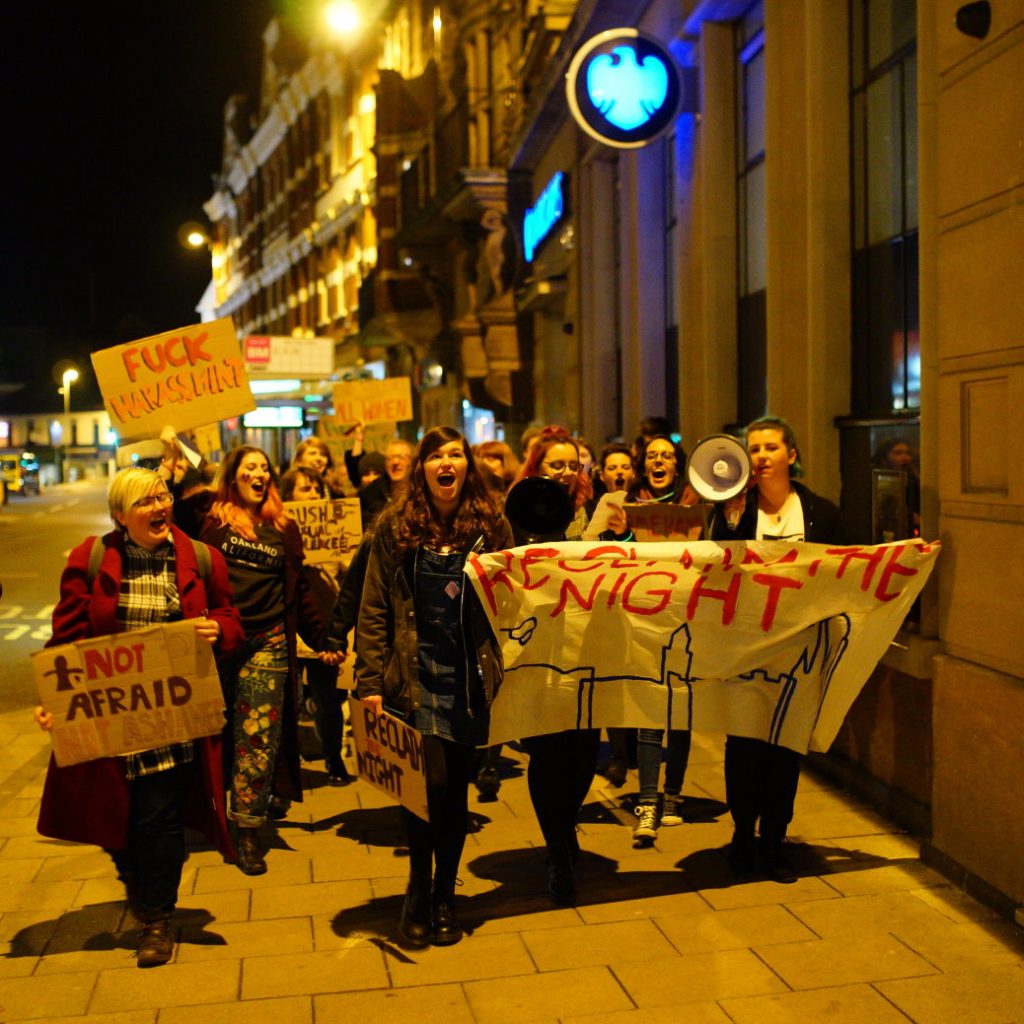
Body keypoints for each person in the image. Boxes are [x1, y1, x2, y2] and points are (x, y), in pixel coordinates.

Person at [34, 468, 244, 967]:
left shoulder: (200, 558)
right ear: (119, 515)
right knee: (120, 823)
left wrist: (218, 628)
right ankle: (138, 880)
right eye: (145, 501)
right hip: (110, 720)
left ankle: (157, 920)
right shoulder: (91, 560)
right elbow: (66, 639)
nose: (160, 507)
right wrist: (54, 697)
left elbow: (233, 621)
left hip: (172, 721)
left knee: (160, 818)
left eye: (163, 496)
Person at [355, 427, 513, 947]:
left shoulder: (491, 527)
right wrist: (369, 680)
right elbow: (375, 607)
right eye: (435, 456)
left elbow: (513, 602)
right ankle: (418, 889)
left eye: (455, 455)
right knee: (426, 790)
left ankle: (445, 895)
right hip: (412, 678)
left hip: (467, 680)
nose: (446, 464)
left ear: (467, 465)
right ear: (421, 469)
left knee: (456, 793)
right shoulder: (395, 527)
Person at [710, 416, 845, 883]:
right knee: (744, 743)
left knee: (785, 749)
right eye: (754, 449)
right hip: (745, 649)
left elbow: (844, 572)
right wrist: (727, 519)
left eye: (770, 447)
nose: (761, 456)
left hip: (799, 650)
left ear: (791, 454)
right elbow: (713, 572)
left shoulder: (821, 513)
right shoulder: (732, 512)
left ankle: (774, 840)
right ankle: (742, 833)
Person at [200, 446, 331, 875]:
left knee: (257, 738)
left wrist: (322, 638)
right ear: (232, 477)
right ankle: (216, 815)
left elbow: (301, 593)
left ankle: (249, 832)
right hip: (222, 644)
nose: (258, 473)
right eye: (248, 468)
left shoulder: (283, 527)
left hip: (269, 643)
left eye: (263, 468)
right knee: (220, 736)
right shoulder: (214, 523)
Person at [511, 427, 629, 904]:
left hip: (589, 650)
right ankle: (558, 848)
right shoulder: (517, 509)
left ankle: (565, 824)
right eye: (553, 464)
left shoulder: (593, 508)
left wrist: (620, 534)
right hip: (538, 653)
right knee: (547, 752)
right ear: (537, 467)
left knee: (582, 752)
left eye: (570, 464)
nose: (563, 472)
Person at [626, 434, 696, 844]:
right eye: (652, 455)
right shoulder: (624, 505)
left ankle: (674, 795)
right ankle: (648, 802)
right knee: (649, 714)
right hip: (642, 622)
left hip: (685, 620)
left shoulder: (694, 502)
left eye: (666, 456)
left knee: (681, 713)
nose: (659, 461)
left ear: (677, 465)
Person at [280, 466, 351, 785]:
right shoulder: (278, 529)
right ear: (288, 496)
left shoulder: (334, 532)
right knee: (288, 702)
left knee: (328, 699)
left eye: (316, 490)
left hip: (323, 628)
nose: (313, 495)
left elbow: (346, 579)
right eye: (304, 489)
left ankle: (333, 758)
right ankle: (286, 762)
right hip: (291, 630)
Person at [593, 443, 638, 786]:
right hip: (603, 609)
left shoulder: (641, 508)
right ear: (602, 474)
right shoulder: (592, 510)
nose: (619, 472)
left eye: (625, 466)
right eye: (613, 467)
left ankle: (634, 749)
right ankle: (620, 754)